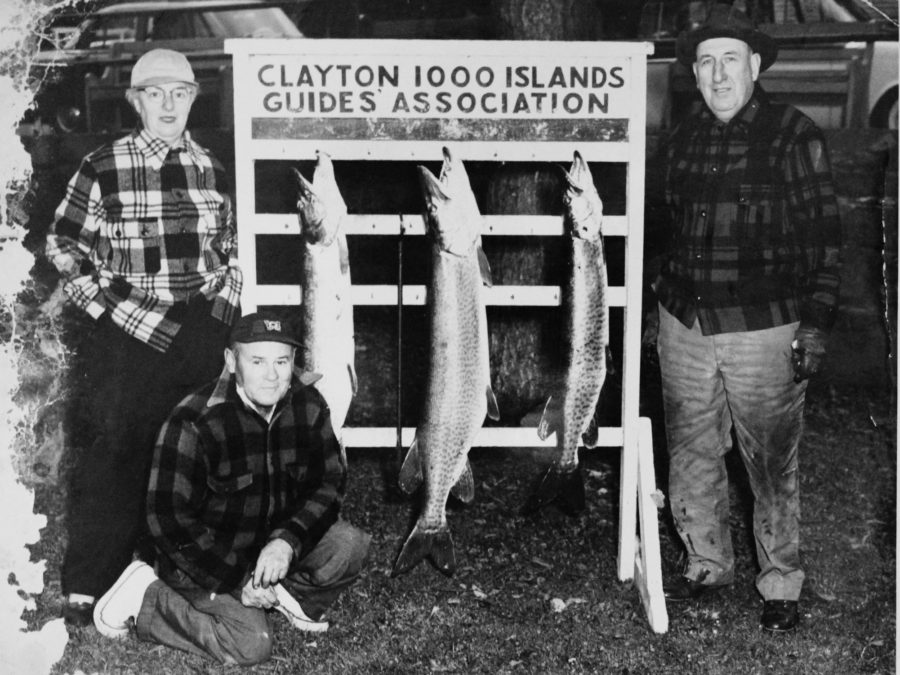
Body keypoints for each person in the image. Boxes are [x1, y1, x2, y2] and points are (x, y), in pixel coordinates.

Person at [651, 5, 841, 633]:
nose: (718, 73)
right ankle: (706, 565)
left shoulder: (793, 134)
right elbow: (663, 233)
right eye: (706, 62)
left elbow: (825, 239)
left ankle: (780, 581)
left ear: (755, 66)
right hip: (685, 324)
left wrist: (815, 323)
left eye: (730, 59)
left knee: (770, 461)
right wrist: (660, 305)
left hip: (765, 328)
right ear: (696, 74)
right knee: (691, 451)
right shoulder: (681, 139)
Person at [45, 48, 242, 626]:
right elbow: (62, 245)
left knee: (192, 459)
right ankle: (88, 584)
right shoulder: (103, 165)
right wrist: (109, 310)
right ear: (135, 101)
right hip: (128, 335)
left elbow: (229, 249)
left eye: (180, 93)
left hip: (201, 331)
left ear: (193, 100)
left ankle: (174, 575)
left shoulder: (212, 166)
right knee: (117, 453)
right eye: (155, 93)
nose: (168, 104)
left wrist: (221, 315)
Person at [91, 312, 371, 666]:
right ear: (231, 361)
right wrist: (240, 581)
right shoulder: (193, 419)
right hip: (203, 558)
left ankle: (282, 594)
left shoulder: (309, 405)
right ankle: (145, 597)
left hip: (268, 541)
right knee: (251, 644)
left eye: (282, 361)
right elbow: (168, 521)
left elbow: (329, 484)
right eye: (257, 361)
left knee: (350, 546)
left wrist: (286, 541)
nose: (272, 375)